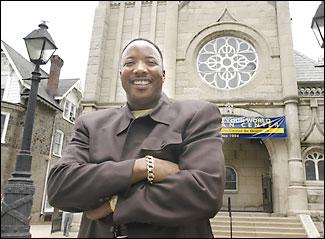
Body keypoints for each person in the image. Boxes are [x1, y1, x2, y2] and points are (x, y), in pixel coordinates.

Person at [47, 38, 225, 238]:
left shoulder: (197, 115)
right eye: (129, 63)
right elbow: (60, 187)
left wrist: (113, 204)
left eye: (151, 62)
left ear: (163, 75)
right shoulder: (90, 124)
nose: (140, 69)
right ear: (120, 74)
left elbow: (205, 192)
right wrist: (142, 167)